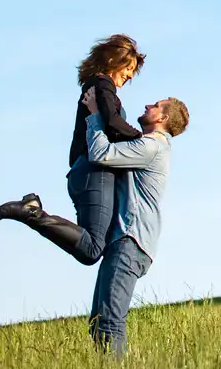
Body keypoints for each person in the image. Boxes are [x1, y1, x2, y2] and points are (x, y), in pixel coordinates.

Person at [0, 34, 147, 264]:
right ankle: (31, 212)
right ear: (114, 60)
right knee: (92, 249)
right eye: (129, 67)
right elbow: (112, 122)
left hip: (84, 172)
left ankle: (32, 210)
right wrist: (142, 140)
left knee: (89, 245)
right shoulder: (103, 85)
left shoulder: (96, 85)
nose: (131, 74)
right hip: (96, 174)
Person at [80, 92, 189, 354]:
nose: (148, 105)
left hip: (130, 241)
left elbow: (101, 154)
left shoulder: (152, 146)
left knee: (109, 321)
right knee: (99, 322)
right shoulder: (149, 145)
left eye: (156, 105)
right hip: (127, 241)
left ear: (162, 118)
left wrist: (95, 114)